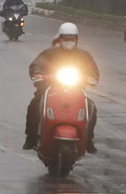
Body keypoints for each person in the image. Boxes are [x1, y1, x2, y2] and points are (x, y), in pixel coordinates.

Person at [24, 23, 99, 153]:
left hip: (76, 90)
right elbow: (38, 63)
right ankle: (31, 137)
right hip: (49, 88)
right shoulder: (50, 53)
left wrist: (91, 77)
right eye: (66, 39)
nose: (68, 42)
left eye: (72, 39)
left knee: (91, 108)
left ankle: (88, 140)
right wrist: (38, 73)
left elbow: (92, 69)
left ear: (76, 39)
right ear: (60, 39)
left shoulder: (83, 55)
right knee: (35, 105)